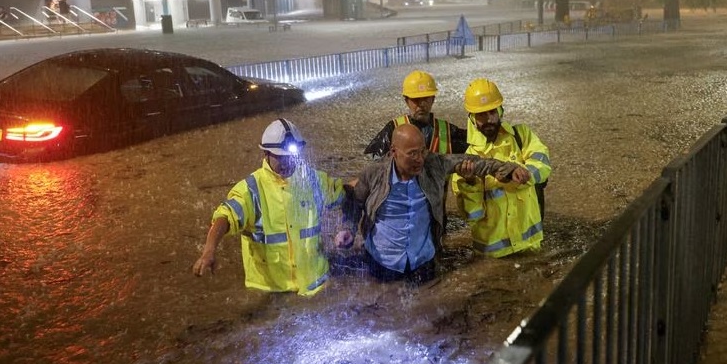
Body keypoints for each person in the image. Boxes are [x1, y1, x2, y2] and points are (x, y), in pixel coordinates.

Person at [347, 123, 528, 285]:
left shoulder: (434, 164)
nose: (420, 159)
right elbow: (355, 202)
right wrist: (347, 229)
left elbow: (476, 162)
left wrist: (508, 170)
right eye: (412, 153)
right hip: (382, 263)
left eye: (422, 151)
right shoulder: (373, 174)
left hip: (423, 262)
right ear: (394, 152)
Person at [192, 119, 351, 296]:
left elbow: (345, 194)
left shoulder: (314, 180)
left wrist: (374, 179)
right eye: (280, 157)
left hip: (316, 285)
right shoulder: (251, 190)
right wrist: (209, 250)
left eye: (291, 156)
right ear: (265, 154)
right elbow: (224, 218)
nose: (287, 162)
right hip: (272, 293)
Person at [452, 78, 551, 257]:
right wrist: (469, 182)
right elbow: (472, 216)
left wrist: (525, 172)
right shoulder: (467, 160)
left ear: (501, 110)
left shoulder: (522, 136)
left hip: (530, 246)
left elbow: (543, 163)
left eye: (492, 112)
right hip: (494, 257)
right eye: (481, 115)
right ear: (472, 119)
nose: (488, 119)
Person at [364, 70, 468, 158]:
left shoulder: (448, 131)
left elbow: (475, 143)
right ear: (406, 101)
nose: (422, 104)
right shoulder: (393, 128)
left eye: (426, 98)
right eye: (416, 99)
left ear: (433, 99)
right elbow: (373, 159)